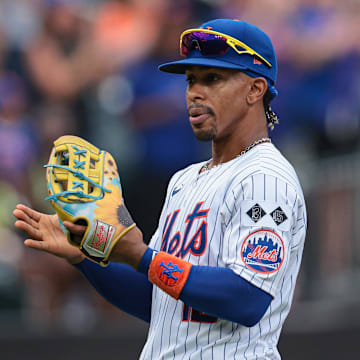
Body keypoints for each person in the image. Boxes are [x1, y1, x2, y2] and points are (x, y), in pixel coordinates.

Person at [14, 19, 307, 359]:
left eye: (213, 78)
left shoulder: (265, 177)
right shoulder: (184, 181)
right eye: (191, 80)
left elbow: (248, 299)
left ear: (255, 90)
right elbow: (158, 302)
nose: (195, 92)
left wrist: (141, 255)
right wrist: (85, 256)